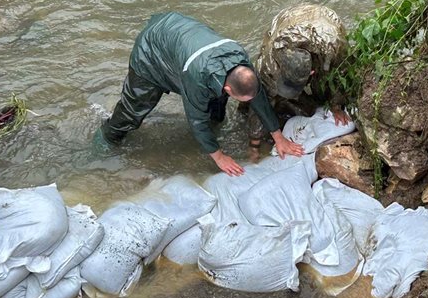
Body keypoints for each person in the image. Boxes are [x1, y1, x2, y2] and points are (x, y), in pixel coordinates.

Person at [95, 11, 304, 176]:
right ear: (230, 89)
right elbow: (196, 120)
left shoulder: (241, 62)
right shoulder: (197, 79)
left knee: (216, 112)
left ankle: (214, 130)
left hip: (186, 41)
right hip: (153, 49)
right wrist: (219, 156)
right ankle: (105, 140)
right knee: (134, 110)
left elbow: (257, 97)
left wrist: (278, 137)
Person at [242, 4, 351, 159]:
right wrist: (254, 142)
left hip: (324, 22)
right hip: (288, 20)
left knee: (325, 84)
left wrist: (336, 104)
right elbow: (260, 98)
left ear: (312, 72)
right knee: (265, 92)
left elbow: (341, 73)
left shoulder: (332, 49)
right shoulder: (272, 61)